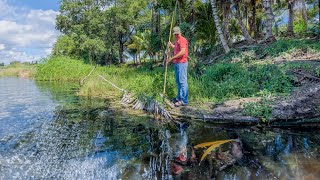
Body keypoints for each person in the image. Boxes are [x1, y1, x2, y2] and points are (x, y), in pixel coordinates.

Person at [167, 26, 189, 107]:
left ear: (180, 32)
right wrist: (171, 45)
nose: (176, 35)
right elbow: (176, 49)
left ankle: (184, 101)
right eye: (175, 34)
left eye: (177, 34)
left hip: (182, 63)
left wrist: (171, 58)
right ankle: (179, 98)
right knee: (178, 81)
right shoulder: (177, 41)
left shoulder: (182, 40)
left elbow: (182, 52)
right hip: (177, 63)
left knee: (182, 81)